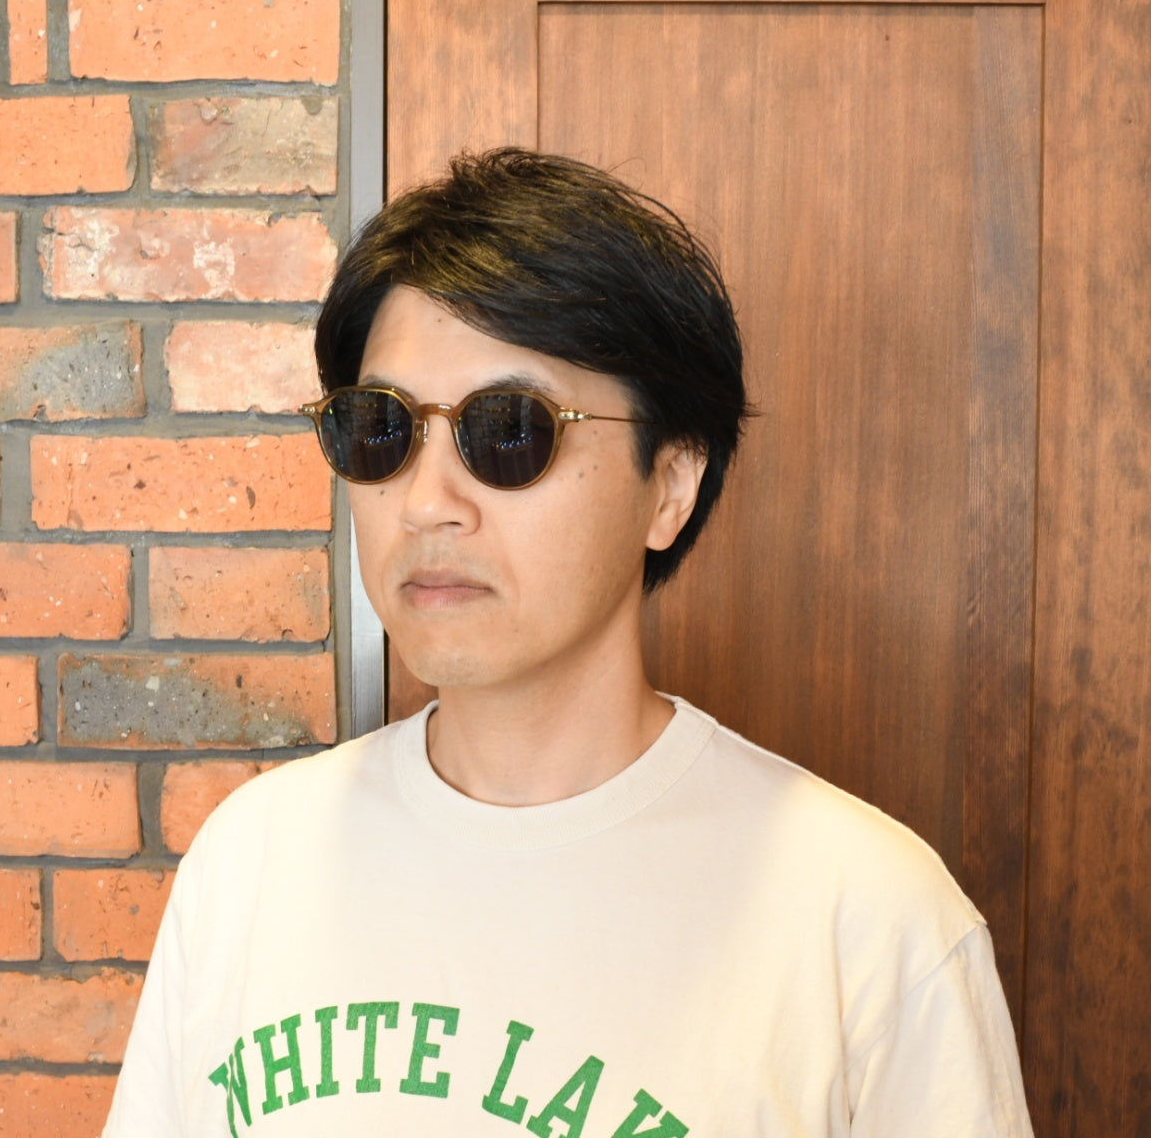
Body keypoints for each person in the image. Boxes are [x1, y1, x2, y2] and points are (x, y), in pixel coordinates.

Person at [103, 148, 1034, 1136]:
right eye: (383, 429)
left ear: (668, 485)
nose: (426, 503)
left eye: (509, 429)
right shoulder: (251, 863)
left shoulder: (868, 923)